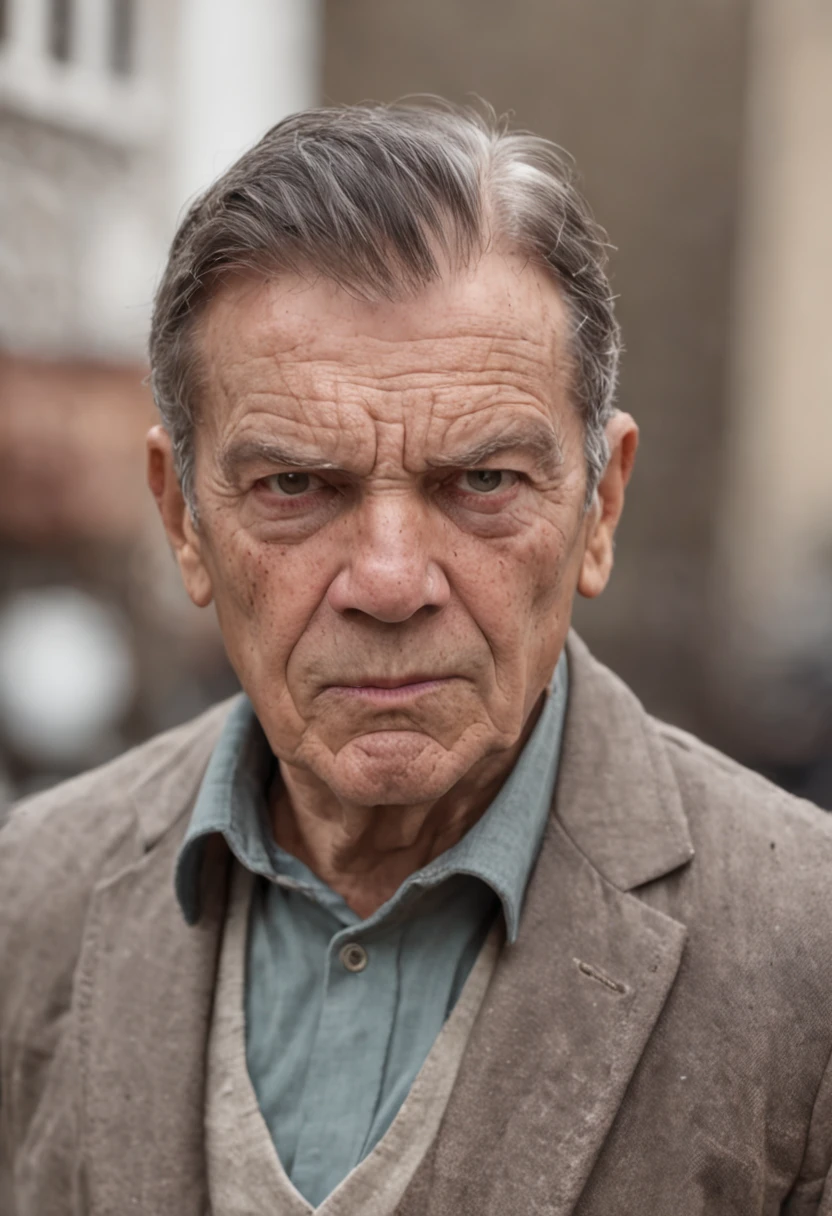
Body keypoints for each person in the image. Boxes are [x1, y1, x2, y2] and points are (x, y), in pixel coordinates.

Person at [2, 101, 832, 1216]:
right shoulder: (30, 899)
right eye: (296, 485)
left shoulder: (806, 952)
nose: (390, 581)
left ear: (600, 506)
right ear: (184, 519)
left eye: (481, 482)